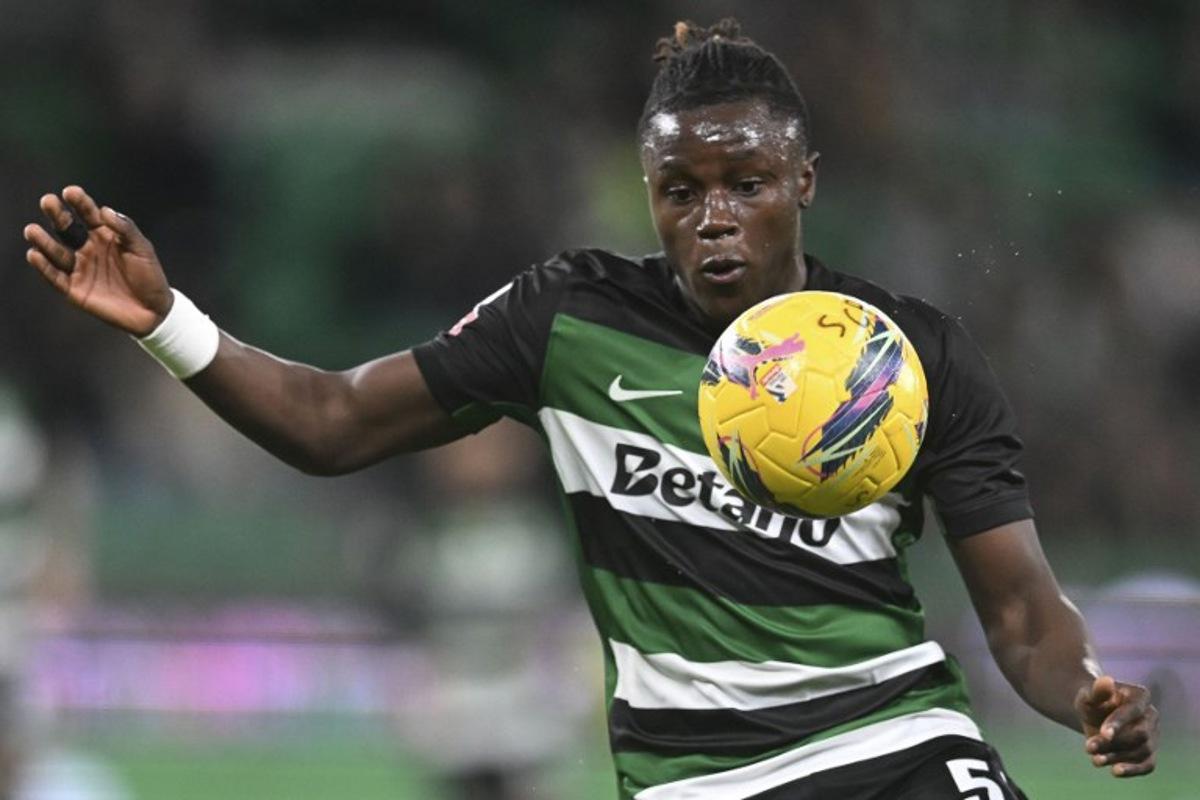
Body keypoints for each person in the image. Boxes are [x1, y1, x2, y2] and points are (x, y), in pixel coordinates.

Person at [22, 18, 1158, 800]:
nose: (715, 217)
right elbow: (331, 422)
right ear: (650, 193)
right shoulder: (564, 319)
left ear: (803, 178)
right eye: (683, 191)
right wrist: (170, 321)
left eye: (748, 185)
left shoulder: (908, 354)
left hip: (897, 740)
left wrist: (1086, 690)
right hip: (694, 776)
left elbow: (1020, 612)